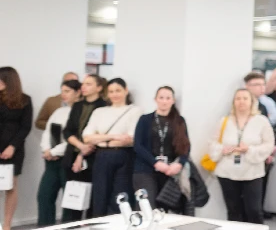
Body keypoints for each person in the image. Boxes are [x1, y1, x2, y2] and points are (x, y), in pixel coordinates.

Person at [209, 89, 275, 230]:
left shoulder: (261, 121)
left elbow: (269, 144)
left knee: (253, 209)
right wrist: (223, 149)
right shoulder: (224, 121)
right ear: (234, 102)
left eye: (245, 98)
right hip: (227, 170)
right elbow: (213, 143)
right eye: (238, 98)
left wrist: (250, 149)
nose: (241, 101)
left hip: (252, 170)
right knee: (233, 210)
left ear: (252, 102)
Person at [83, 78, 142, 217]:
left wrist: (101, 137)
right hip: (102, 155)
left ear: (125, 91)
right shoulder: (99, 111)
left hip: (124, 155)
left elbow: (130, 139)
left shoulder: (134, 110)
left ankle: (117, 228)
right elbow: (86, 136)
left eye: (118, 90)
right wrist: (114, 137)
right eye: (111, 91)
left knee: (120, 195)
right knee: (100, 194)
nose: (114, 94)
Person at [132, 86, 191, 210]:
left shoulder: (179, 121)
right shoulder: (145, 119)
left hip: (170, 170)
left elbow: (185, 146)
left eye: (168, 98)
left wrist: (179, 164)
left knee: (165, 208)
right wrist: (155, 163)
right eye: (161, 98)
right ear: (155, 99)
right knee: (146, 205)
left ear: (173, 100)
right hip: (146, 168)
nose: (164, 101)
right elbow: (138, 145)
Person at [62, 75, 108, 222]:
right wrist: (80, 146)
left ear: (99, 88)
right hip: (74, 152)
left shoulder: (104, 107)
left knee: (92, 197)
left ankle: (89, 227)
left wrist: (83, 152)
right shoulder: (77, 105)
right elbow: (68, 131)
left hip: (94, 156)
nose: (84, 86)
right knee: (73, 195)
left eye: (89, 84)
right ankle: (71, 227)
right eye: (84, 84)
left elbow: (101, 133)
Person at [37, 79, 81, 227]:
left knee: (69, 199)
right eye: (62, 91)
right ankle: (44, 228)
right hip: (51, 160)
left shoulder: (80, 112)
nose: (63, 94)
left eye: (67, 91)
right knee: (44, 196)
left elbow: (74, 137)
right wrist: (46, 150)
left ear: (78, 93)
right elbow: (47, 132)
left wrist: (55, 151)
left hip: (68, 159)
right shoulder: (59, 111)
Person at [0, 67, 33, 230]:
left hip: (13, 149)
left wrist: (12, 146)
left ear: (8, 81)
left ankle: (7, 225)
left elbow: (25, 127)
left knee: (10, 186)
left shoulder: (25, 100)